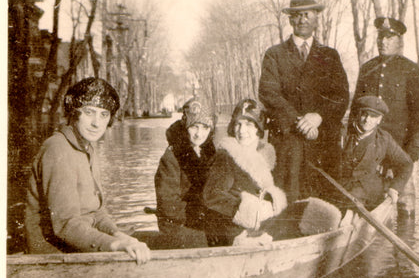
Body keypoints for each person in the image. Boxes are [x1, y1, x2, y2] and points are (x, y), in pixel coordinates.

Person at [24, 77, 150, 264]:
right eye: (89, 112)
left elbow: (96, 212)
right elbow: (66, 225)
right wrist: (116, 245)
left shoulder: (87, 148)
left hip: (79, 248)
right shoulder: (57, 149)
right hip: (54, 259)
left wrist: (118, 234)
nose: (96, 123)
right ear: (74, 113)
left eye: (104, 115)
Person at [258, 0, 349, 204]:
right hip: (288, 141)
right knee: (287, 198)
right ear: (290, 20)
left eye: (307, 14)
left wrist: (318, 116)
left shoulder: (330, 56)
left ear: (316, 18)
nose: (302, 20)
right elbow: (268, 93)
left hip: (322, 142)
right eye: (297, 15)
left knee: (324, 199)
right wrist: (300, 121)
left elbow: (341, 96)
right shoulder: (274, 55)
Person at [351, 17, 419, 217]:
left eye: (389, 37)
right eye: (380, 36)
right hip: (369, 151)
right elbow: (355, 110)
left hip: (399, 150)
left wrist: (412, 153)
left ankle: (406, 238)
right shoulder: (367, 69)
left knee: (404, 206)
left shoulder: (410, 70)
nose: (383, 41)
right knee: (367, 203)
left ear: (399, 41)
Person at [202, 99, 287, 246]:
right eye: (238, 124)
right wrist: (246, 208)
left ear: (258, 130)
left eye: (248, 124)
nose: (241, 131)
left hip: (258, 228)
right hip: (233, 233)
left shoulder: (264, 157)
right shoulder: (227, 156)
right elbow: (212, 195)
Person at [154, 97, 217, 248]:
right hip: (176, 224)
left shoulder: (211, 153)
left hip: (201, 221)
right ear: (185, 126)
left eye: (205, 128)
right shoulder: (172, 157)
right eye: (194, 127)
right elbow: (168, 203)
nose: (199, 134)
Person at [338, 96, 413, 211]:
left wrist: (394, 188)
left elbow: (406, 164)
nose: (367, 120)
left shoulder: (384, 139)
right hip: (339, 190)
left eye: (373, 116)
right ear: (358, 114)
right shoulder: (341, 133)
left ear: (379, 120)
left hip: (368, 193)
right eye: (364, 114)